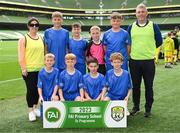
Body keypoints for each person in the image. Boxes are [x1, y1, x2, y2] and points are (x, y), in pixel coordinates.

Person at [127, 3, 162, 117]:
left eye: (143, 11)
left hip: (148, 61)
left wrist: (149, 50)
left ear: (146, 13)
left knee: (148, 86)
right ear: (136, 14)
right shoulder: (131, 26)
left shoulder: (153, 25)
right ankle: (136, 107)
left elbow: (159, 41)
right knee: (135, 86)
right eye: (139, 12)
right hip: (134, 61)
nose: (141, 14)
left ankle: (148, 109)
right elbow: (128, 43)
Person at [18, 17, 44, 121]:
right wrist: (23, 68)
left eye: (36, 25)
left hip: (41, 69)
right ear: (28, 26)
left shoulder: (41, 38)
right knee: (31, 90)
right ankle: (30, 111)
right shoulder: (24, 39)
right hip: (29, 69)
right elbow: (21, 55)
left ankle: (35, 108)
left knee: (38, 90)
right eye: (32, 25)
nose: (34, 27)